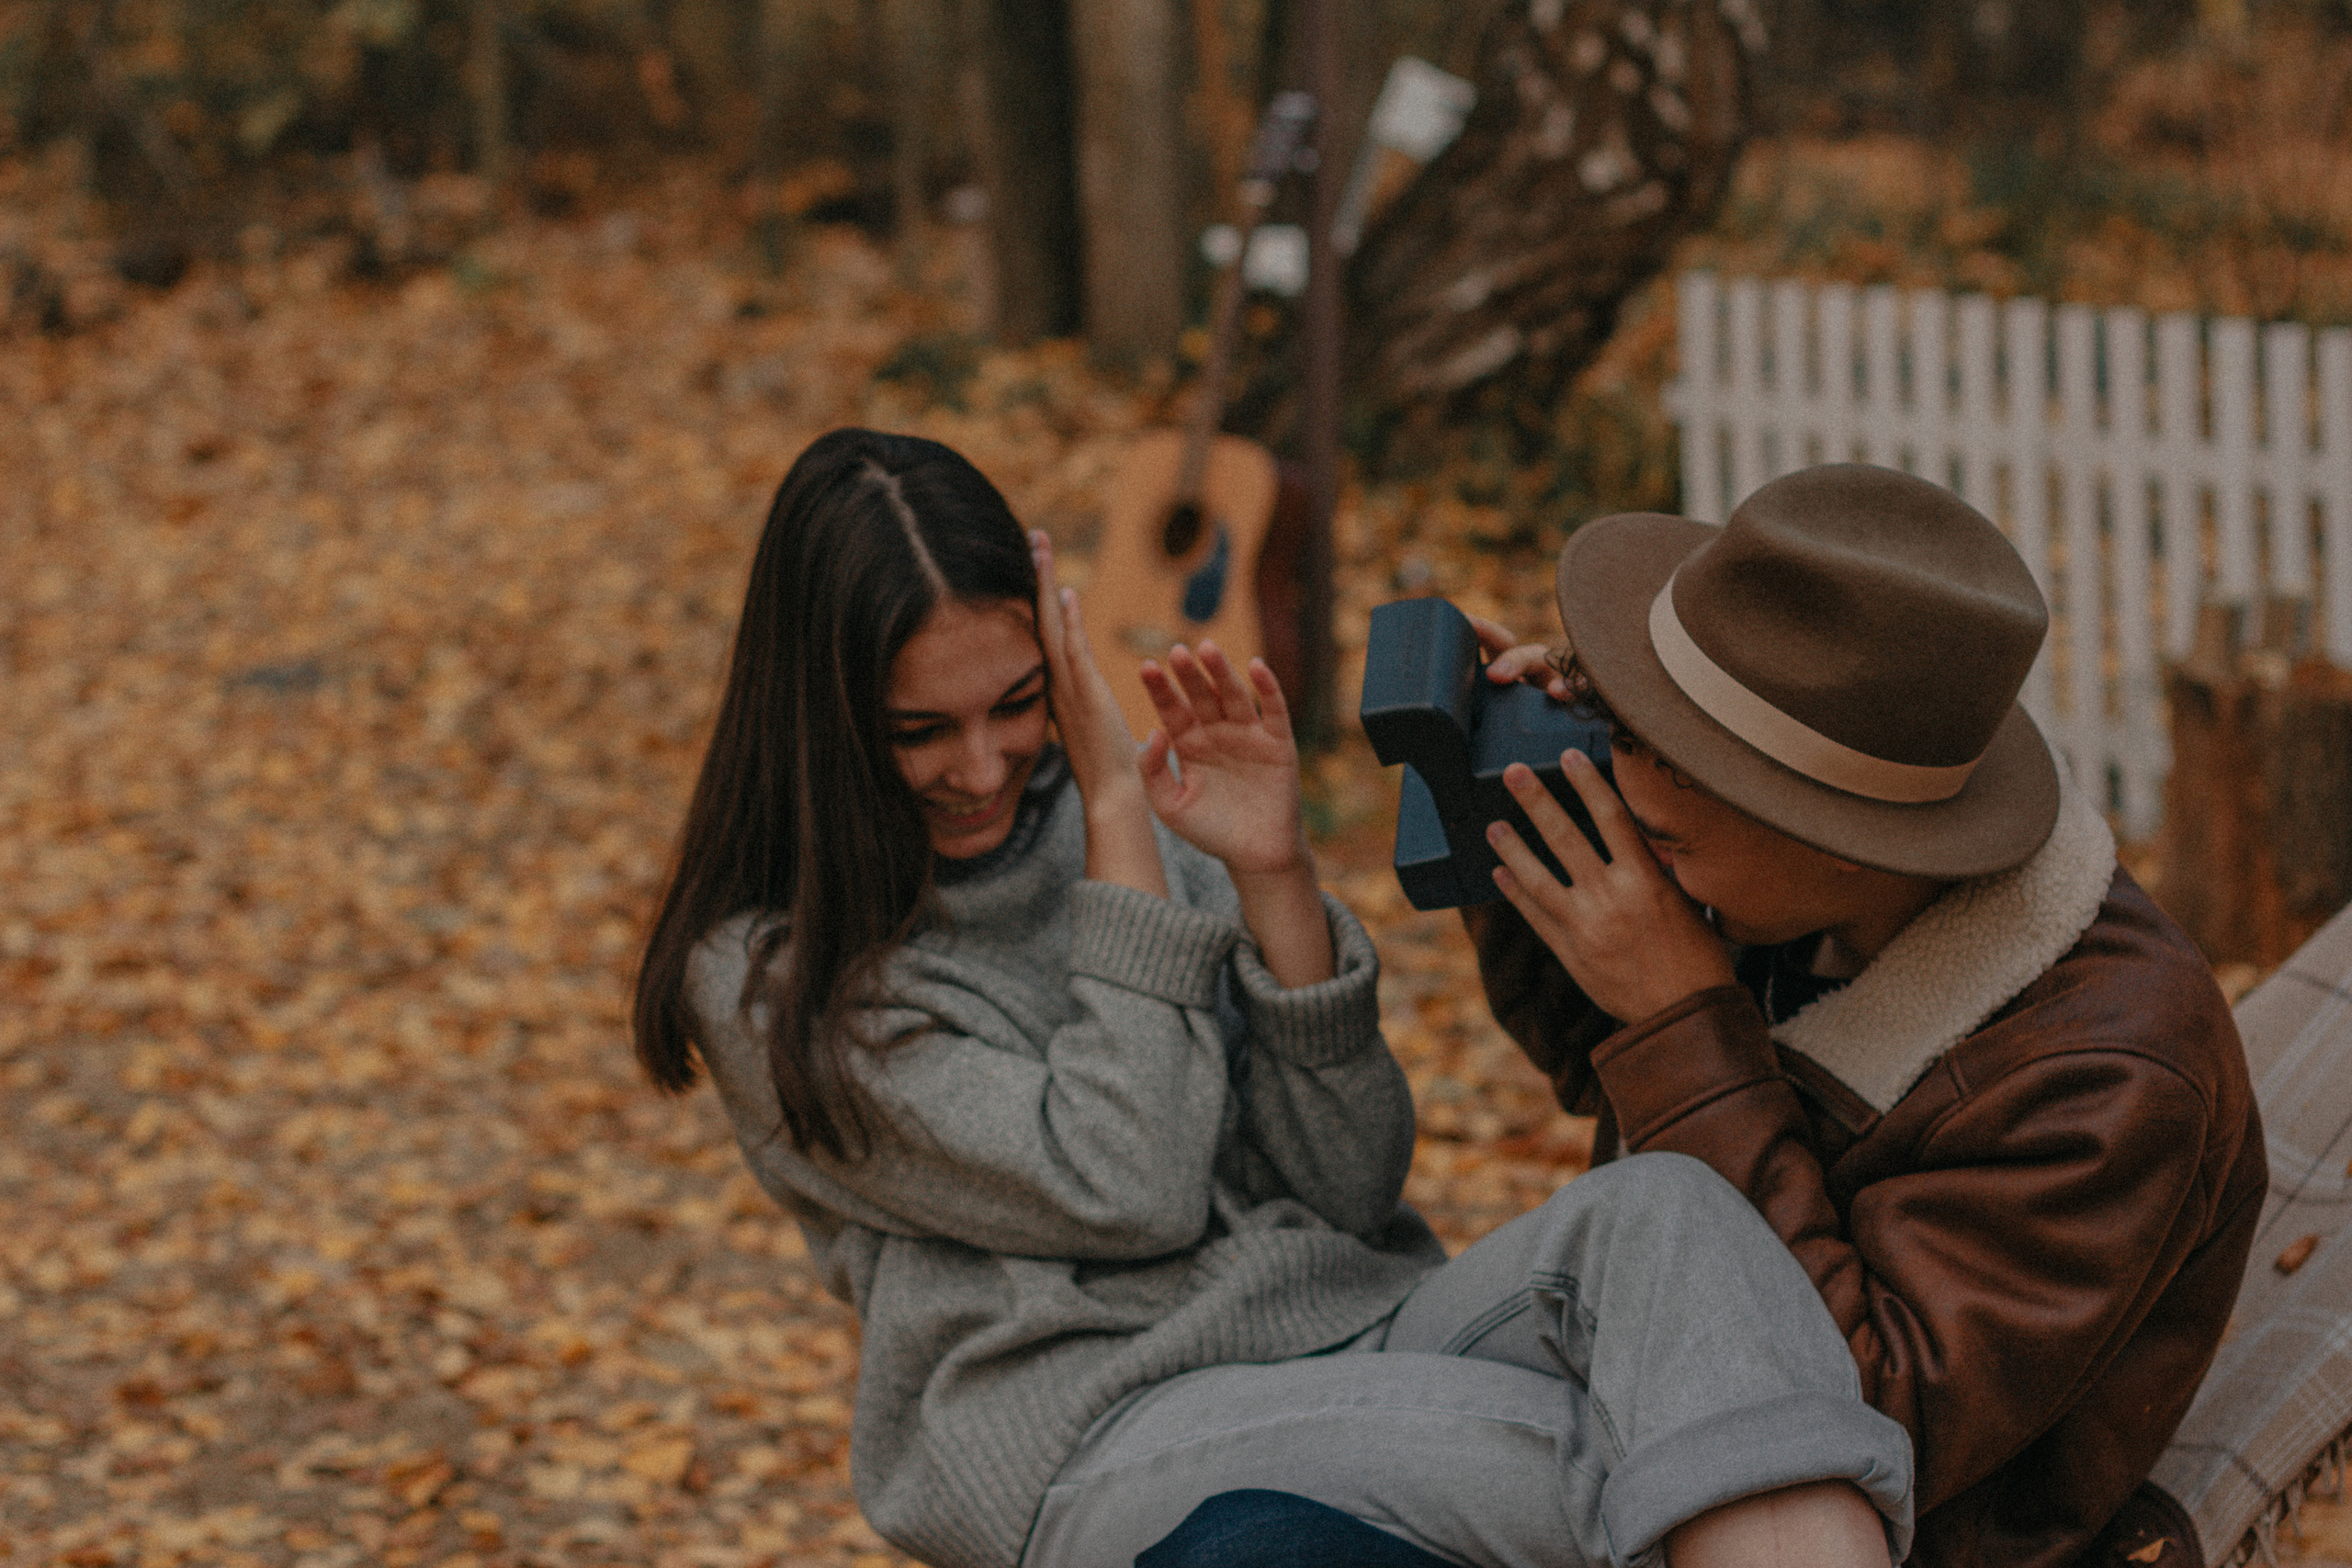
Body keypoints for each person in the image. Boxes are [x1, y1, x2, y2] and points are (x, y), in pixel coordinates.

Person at [631, 428, 1917, 1568]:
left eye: (1020, 703)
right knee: (1633, 1444)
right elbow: (1125, 1182)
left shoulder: (1144, 828)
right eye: (921, 729)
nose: (984, 765)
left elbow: (1353, 1185)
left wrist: (1274, 874)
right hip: (1099, 1432)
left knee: (1669, 1211)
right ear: (823, 715)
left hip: (1357, 1330)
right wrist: (1122, 829)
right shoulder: (767, 976)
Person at [1453, 463, 2267, 1568]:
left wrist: (1686, 1018)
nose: (1635, 797)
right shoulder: (1798, 893)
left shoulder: (2111, 1076)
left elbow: (1852, 1426)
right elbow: (1608, 1075)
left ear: (1839, 830)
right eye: (1634, 725)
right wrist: (1514, 816)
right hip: (1647, 1421)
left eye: (1675, 785)